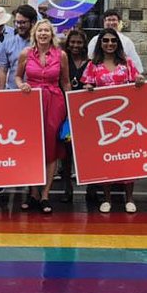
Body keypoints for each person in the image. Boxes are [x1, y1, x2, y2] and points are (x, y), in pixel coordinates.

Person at [81, 29, 145, 212]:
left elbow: (137, 82)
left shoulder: (127, 63)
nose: (110, 44)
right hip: (102, 120)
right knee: (106, 158)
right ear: (100, 43)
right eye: (106, 40)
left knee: (127, 157)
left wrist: (139, 80)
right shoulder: (93, 65)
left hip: (124, 119)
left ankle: (130, 199)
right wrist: (87, 87)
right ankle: (106, 198)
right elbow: (87, 83)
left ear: (118, 43)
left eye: (113, 41)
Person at [16, 19, 71, 214]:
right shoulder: (25, 54)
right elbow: (17, 76)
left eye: (47, 31)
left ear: (52, 34)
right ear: (35, 34)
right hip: (31, 102)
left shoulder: (61, 55)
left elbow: (65, 82)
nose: (43, 34)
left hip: (54, 102)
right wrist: (21, 85)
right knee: (33, 147)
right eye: (40, 31)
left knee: (51, 147)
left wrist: (70, 107)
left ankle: (46, 194)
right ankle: (33, 193)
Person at [59, 27, 90, 204]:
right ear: (68, 43)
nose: (75, 45)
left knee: (87, 149)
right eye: (72, 42)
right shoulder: (63, 59)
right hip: (65, 107)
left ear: (84, 44)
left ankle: (92, 187)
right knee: (67, 149)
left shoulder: (91, 61)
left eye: (79, 42)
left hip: (84, 110)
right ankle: (67, 187)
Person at [87, 8, 144, 73]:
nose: (111, 23)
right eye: (108, 20)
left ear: (119, 22)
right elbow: (90, 59)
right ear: (104, 22)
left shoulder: (126, 41)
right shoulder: (95, 40)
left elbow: (135, 64)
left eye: (114, 20)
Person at [0, 4, 37, 90]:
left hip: (36, 92)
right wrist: (0, 93)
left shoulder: (40, 44)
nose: (19, 26)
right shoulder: (7, 43)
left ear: (33, 22)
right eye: (17, 22)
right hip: (13, 92)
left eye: (23, 22)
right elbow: (3, 71)